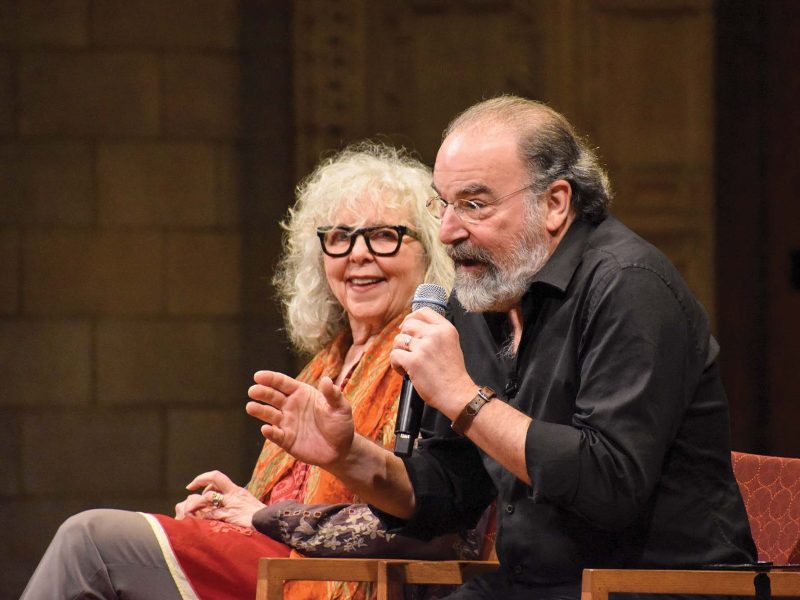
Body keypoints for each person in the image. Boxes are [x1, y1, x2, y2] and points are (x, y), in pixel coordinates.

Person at [246, 96, 758, 600]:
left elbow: (609, 484)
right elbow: (450, 493)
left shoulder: (629, 286)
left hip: (653, 587)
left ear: (555, 203)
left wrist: (463, 398)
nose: (447, 231)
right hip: (532, 585)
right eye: (442, 204)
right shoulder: (482, 299)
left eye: (474, 204)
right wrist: (349, 455)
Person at [21, 141, 459, 600]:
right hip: (273, 556)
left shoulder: (431, 355)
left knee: (90, 540)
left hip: (328, 576)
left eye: (384, 235)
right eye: (339, 237)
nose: (357, 254)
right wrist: (230, 504)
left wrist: (263, 517)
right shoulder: (328, 361)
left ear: (430, 251)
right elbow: (285, 498)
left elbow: (430, 518)